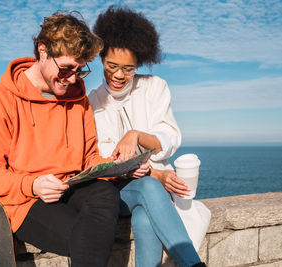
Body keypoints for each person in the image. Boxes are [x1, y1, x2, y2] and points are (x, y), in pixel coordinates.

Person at [0, 11, 136, 267]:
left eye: (80, 71)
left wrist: (120, 166)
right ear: (43, 51)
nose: (72, 79)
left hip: (71, 187)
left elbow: (89, 157)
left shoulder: (78, 100)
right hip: (25, 200)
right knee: (89, 239)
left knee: (105, 193)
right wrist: (32, 184)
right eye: (67, 68)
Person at [88, 6, 210, 267]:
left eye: (128, 68)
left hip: (156, 195)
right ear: (100, 58)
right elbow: (105, 161)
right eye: (112, 65)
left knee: (144, 219)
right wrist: (158, 176)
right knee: (150, 186)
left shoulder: (155, 87)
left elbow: (169, 138)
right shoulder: (93, 103)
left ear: (139, 63)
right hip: (117, 192)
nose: (119, 75)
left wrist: (136, 135)